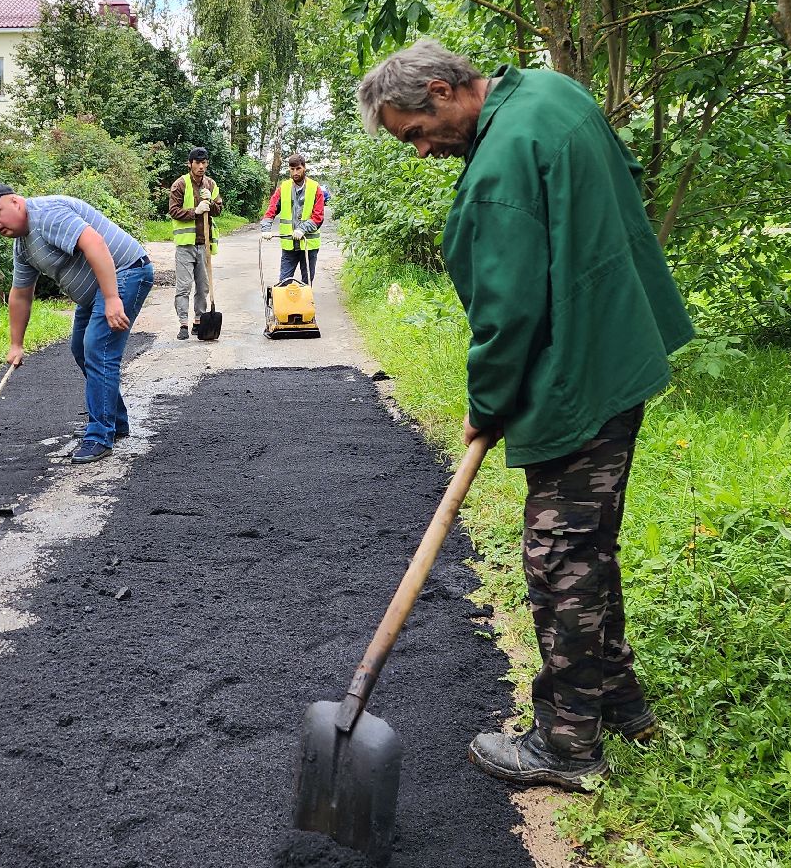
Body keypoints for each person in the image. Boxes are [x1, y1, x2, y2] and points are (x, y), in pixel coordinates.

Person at [358, 39, 693, 791]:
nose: (420, 151)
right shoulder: (554, 92)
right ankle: (621, 704)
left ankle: (568, 745)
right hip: (620, 346)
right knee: (591, 540)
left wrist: (487, 406)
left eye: (415, 131)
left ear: (443, 91)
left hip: (577, 371)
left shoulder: (501, 163)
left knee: (560, 557)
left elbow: (508, 318)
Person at [0, 183, 154, 464]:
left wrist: (112, 298)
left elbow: (94, 243)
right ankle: (114, 421)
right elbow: (21, 294)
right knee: (81, 349)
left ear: (16, 202)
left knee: (98, 348)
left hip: (126, 271)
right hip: (96, 290)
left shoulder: (46, 215)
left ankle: (99, 435)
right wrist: (16, 344)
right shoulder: (23, 245)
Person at [167, 147, 221, 341]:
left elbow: (218, 210)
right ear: (190, 164)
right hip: (185, 245)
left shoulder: (211, 185)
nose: (201, 166)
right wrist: (195, 211)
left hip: (204, 244)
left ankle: (199, 321)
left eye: (204, 162)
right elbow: (173, 211)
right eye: (197, 163)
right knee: (183, 286)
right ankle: (183, 323)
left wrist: (211, 203)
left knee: (203, 287)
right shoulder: (179, 185)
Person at [260, 153, 325, 284]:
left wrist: (302, 229)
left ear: (304, 168)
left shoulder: (315, 188)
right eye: (292, 169)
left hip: (308, 245)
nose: (295, 172)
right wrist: (266, 228)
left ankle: (303, 305)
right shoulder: (283, 188)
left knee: (306, 283)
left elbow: (318, 217)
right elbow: (271, 209)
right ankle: (284, 304)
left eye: (298, 168)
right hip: (289, 244)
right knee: (284, 282)